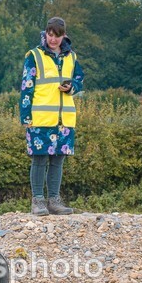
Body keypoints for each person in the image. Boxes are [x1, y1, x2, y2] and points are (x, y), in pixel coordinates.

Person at [19, 16, 85, 216]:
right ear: (45, 33)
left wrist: (72, 87)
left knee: (58, 161)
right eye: (50, 34)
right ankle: (38, 201)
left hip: (64, 119)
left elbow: (80, 80)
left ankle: (54, 200)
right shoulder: (34, 55)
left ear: (63, 35)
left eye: (57, 35)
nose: (53, 39)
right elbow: (26, 87)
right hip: (39, 119)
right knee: (39, 160)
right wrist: (25, 116)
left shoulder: (71, 57)